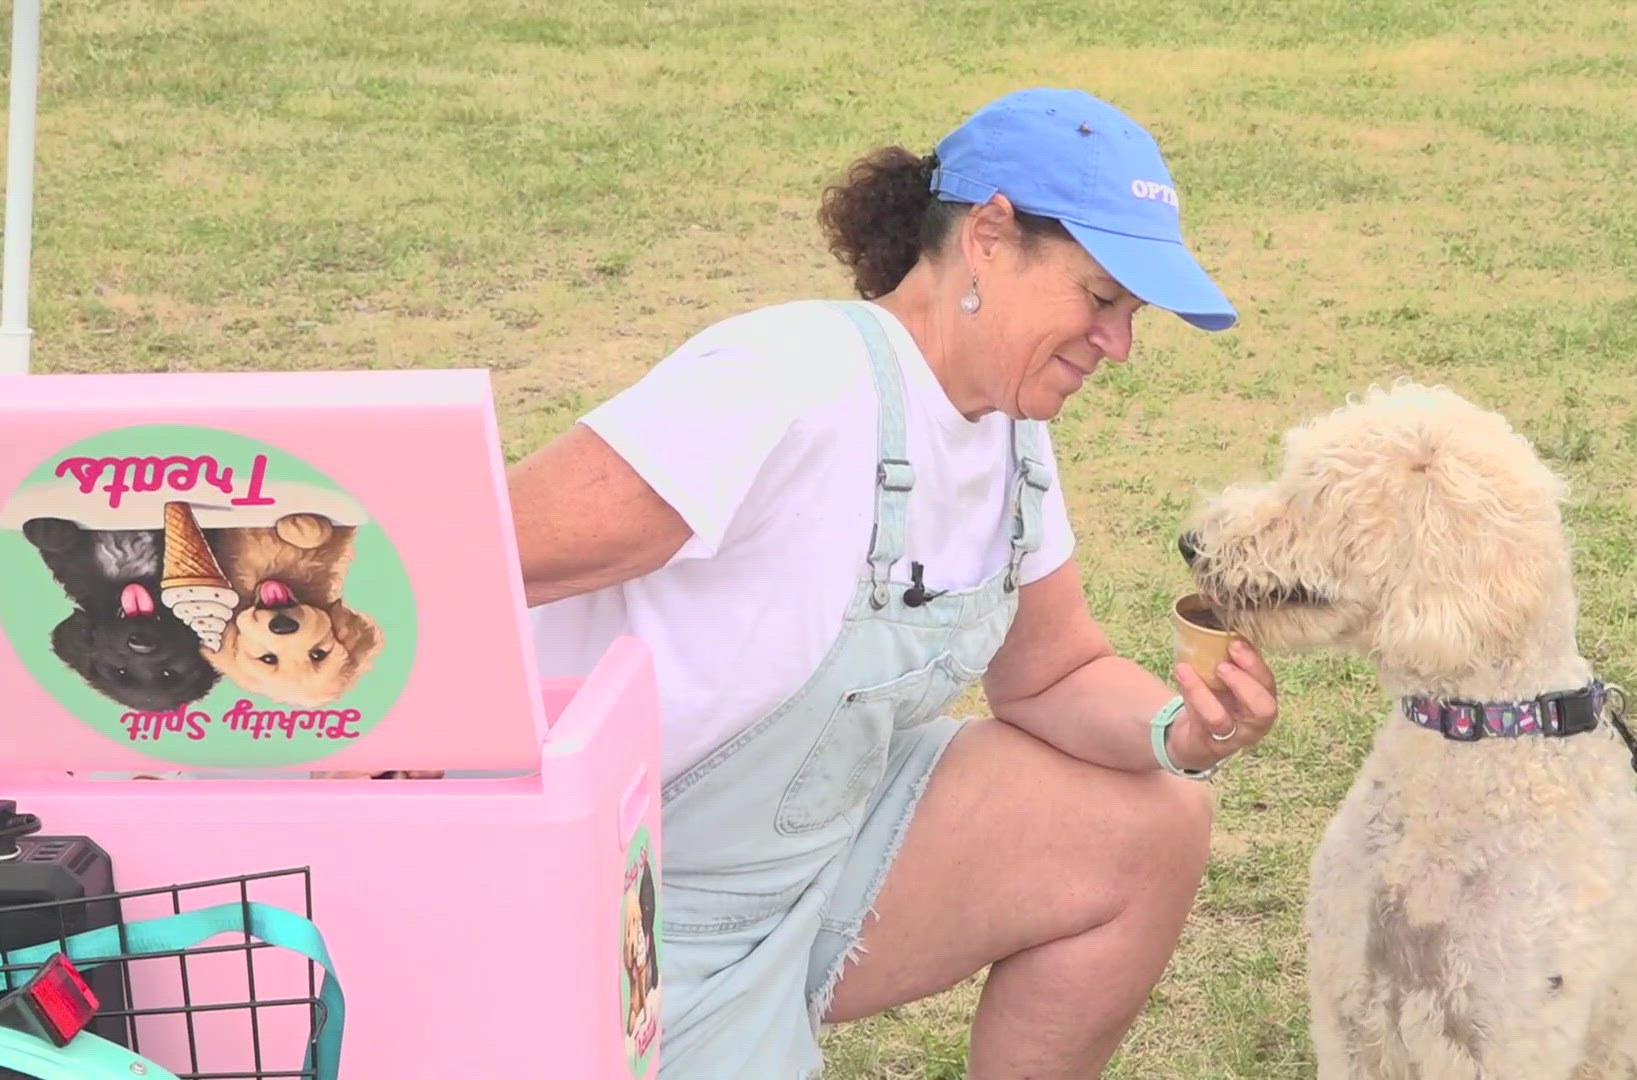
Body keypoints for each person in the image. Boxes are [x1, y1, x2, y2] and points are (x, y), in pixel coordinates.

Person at [508, 86, 1281, 1079]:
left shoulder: (1015, 437)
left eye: (1131, 316)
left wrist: (1181, 730)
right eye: (1099, 299)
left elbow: (1050, 674)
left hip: (819, 864)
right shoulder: (783, 378)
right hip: (627, 908)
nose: (1119, 345)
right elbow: (475, 556)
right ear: (991, 237)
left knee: (1152, 815)